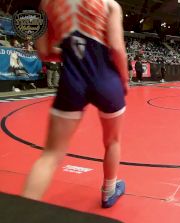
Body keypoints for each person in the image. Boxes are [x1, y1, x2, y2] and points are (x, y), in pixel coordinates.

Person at [22, 0, 129, 208]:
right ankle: (109, 190)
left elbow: (43, 52)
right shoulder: (110, 4)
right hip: (107, 81)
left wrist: (73, 53)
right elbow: (116, 48)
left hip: (72, 81)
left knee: (51, 155)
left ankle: (20, 212)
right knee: (112, 141)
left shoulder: (47, 4)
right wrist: (124, 80)